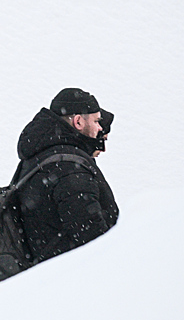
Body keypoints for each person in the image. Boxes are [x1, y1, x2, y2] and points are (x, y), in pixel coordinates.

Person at [14, 88, 119, 264]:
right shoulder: (70, 169)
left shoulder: (41, 155)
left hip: (45, 273)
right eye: (96, 121)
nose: (100, 128)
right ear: (78, 122)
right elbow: (92, 237)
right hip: (71, 278)